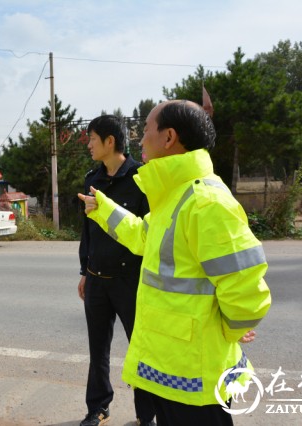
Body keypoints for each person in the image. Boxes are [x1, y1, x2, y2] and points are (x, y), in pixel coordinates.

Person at [78, 100, 271, 426]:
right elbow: (142, 236)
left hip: (199, 379)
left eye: (146, 131)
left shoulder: (206, 201)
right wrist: (103, 209)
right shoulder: (177, 197)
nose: (139, 140)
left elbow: (248, 295)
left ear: (169, 138)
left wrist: (226, 331)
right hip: (174, 374)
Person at [77, 115, 155, 426]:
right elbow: (88, 231)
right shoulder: (92, 179)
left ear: (111, 141)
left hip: (130, 281)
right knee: (98, 351)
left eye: (93, 138)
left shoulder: (141, 177)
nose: (89, 144)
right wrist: (85, 270)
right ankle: (97, 407)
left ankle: (146, 415)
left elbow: (149, 233)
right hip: (97, 280)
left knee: (142, 350)